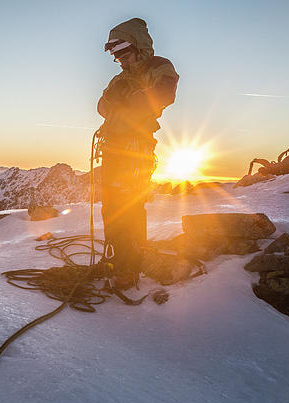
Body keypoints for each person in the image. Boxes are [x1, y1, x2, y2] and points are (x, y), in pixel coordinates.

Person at [96, 17, 178, 289]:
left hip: (136, 150)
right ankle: (114, 258)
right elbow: (101, 107)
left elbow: (164, 93)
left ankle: (129, 267)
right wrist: (117, 99)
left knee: (129, 205)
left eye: (124, 53)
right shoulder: (120, 78)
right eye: (117, 56)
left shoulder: (157, 67)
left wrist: (131, 99)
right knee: (111, 205)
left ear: (139, 48)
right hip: (113, 149)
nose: (120, 60)